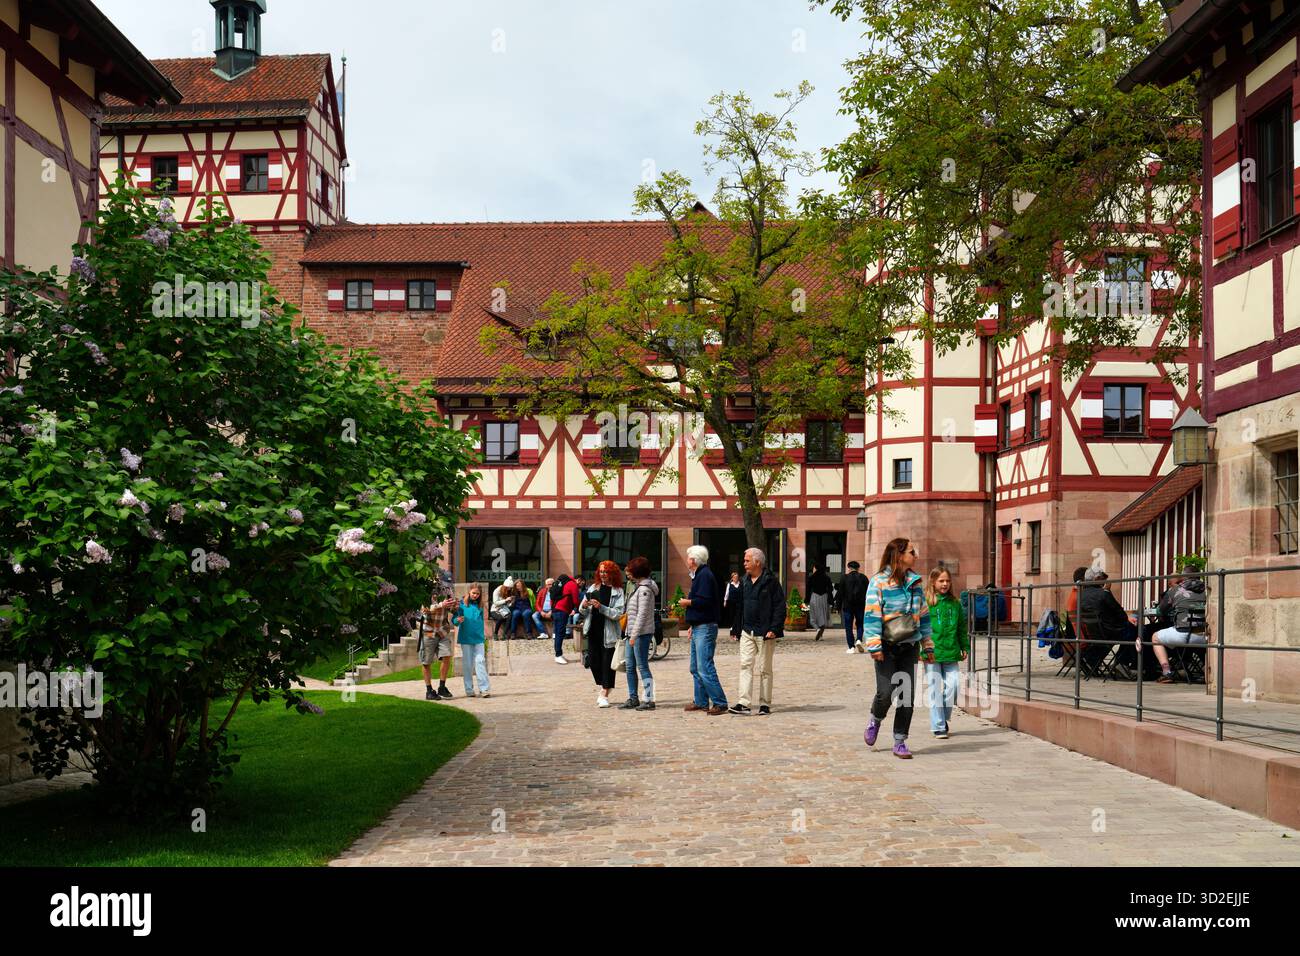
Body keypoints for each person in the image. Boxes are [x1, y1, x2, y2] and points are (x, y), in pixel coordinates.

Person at [862, 538, 934, 759]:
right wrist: (874, 646)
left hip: (909, 645)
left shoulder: (915, 582)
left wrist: (927, 646)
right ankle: (875, 718)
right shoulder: (878, 582)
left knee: (906, 696)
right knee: (885, 693)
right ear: (899, 555)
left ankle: (900, 741)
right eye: (912, 551)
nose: (916, 555)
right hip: (886, 646)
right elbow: (872, 614)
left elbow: (923, 615)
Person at [728, 548, 784, 716]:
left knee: (765, 669)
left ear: (757, 562)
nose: (744, 564)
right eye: (744, 561)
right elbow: (739, 607)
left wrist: (774, 628)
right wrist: (736, 628)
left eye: (747, 560)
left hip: (765, 632)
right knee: (745, 665)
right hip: (747, 631)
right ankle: (744, 703)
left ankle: (765, 704)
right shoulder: (744, 581)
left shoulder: (771, 582)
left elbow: (780, 606)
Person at [681, 545, 728, 715]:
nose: (687, 560)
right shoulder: (699, 575)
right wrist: (692, 625)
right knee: (695, 667)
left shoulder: (705, 576)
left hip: (706, 626)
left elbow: (705, 601)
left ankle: (720, 702)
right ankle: (701, 701)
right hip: (699, 625)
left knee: (704, 666)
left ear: (693, 560)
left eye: (688, 557)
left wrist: (688, 602)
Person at [924, 567, 967, 738]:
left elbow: (962, 628)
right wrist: (923, 649)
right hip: (932, 653)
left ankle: (942, 716)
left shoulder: (955, 603)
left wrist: (965, 646)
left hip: (951, 651)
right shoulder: (926, 602)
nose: (945, 584)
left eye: (947, 581)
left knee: (955, 685)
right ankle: (939, 726)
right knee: (934, 689)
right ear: (933, 582)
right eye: (941, 581)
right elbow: (920, 627)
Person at [578, 560, 626, 707]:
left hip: (609, 632)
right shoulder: (593, 587)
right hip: (592, 629)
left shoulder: (618, 591)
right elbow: (582, 609)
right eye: (601, 571)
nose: (603, 574)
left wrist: (602, 607)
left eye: (606, 571)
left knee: (607, 664)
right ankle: (604, 686)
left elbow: (618, 614)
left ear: (612, 573)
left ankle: (604, 692)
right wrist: (585, 606)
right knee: (593, 662)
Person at [1077, 569, 1140, 679]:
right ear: (1096, 579)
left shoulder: (1081, 596)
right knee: (1134, 630)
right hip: (1109, 632)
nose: (1105, 581)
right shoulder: (1103, 594)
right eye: (1103, 578)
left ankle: (1091, 659)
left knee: (1125, 630)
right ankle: (1121, 663)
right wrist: (1108, 591)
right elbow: (1120, 614)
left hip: (1094, 634)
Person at [1151, 573, 1208, 683]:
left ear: (1183, 578)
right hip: (1205, 636)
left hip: (1184, 634)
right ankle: (1208, 672)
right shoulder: (1207, 589)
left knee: (1155, 637)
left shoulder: (1175, 590)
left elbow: (1160, 611)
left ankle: (1167, 673)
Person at [620, 556, 659, 711]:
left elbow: (642, 615)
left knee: (642, 666)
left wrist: (634, 635)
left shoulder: (644, 590)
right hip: (632, 633)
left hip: (641, 634)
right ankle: (633, 697)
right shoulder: (638, 587)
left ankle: (649, 699)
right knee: (630, 666)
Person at [452, 583, 490, 698]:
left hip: (478, 638)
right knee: (467, 664)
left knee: (480, 662)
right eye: (474, 593)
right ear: (469, 592)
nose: (475, 595)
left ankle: (484, 689)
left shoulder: (481, 605)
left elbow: (481, 621)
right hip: (466, 638)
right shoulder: (461, 605)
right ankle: (469, 690)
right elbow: (454, 621)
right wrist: (458, 620)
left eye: (478, 594)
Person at [419, 593, 459, 700]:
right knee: (426, 662)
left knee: (447, 656)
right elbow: (424, 611)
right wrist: (441, 604)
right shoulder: (425, 592)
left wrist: (455, 606)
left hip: (442, 632)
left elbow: (453, 610)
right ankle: (429, 691)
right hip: (428, 632)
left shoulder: (446, 592)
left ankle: (442, 687)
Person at [550, 573, 580, 665]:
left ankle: (559, 654)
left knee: (557, 632)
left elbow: (552, 598)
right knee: (560, 633)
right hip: (562, 610)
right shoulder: (572, 584)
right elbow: (575, 600)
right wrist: (579, 608)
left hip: (555, 609)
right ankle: (558, 655)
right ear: (578, 580)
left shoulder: (560, 583)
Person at [838, 560, 868, 654]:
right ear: (858, 568)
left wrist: (838, 606)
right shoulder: (863, 578)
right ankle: (859, 639)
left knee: (848, 626)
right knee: (860, 623)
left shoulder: (844, 578)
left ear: (849, 568)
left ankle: (851, 647)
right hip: (860, 605)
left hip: (848, 605)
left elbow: (840, 593)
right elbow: (868, 591)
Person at [807, 563, 832, 641]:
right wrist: (831, 600)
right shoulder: (827, 577)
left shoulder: (812, 577)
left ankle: (817, 629)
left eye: (814, 568)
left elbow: (808, 589)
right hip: (824, 597)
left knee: (813, 615)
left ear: (816, 569)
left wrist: (806, 600)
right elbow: (830, 589)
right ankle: (821, 635)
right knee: (823, 616)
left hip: (814, 597)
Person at [723, 570, 743, 641]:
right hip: (732, 603)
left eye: (737, 577)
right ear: (732, 578)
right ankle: (733, 632)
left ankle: (737, 633)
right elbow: (727, 593)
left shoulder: (740, 584)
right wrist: (725, 601)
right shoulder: (729, 584)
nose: (736, 578)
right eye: (734, 577)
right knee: (732, 617)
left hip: (739, 603)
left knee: (738, 617)